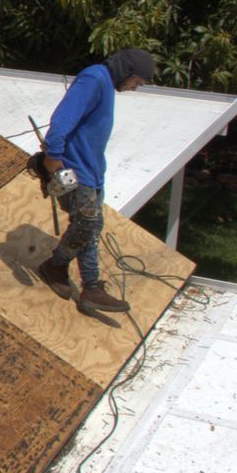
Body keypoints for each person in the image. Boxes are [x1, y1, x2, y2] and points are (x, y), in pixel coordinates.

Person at [35, 49, 156, 315]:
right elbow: (63, 119)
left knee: (89, 227)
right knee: (87, 224)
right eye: (137, 82)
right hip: (75, 171)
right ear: (127, 71)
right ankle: (56, 267)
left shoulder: (106, 85)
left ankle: (90, 288)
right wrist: (53, 159)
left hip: (92, 172)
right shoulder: (94, 78)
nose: (136, 88)